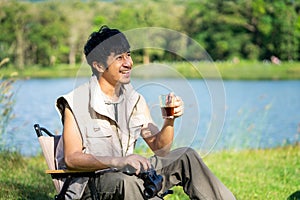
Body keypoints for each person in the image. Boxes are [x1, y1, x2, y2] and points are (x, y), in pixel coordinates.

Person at [55, 25, 236, 200]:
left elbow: (161, 149)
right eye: (119, 58)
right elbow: (72, 159)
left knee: (186, 156)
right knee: (126, 181)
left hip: (130, 175)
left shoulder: (135, 100)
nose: (129, 63)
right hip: (93, 184)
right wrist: (119, 161)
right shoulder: (75, 102)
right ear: (99, 66)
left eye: (129, 55)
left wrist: (169, 121)